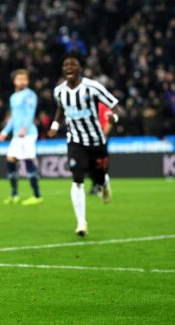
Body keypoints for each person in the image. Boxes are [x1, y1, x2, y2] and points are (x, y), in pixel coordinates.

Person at [48, 52, 119, 236]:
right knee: (77, 180)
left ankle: (104, 182)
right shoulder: (59, 91)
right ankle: (81, 223)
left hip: (96, 140)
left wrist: (114, 117)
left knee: (99, 177)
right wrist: (55, 125)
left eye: (73, 65)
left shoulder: (93, 87)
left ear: (80, 69)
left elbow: (114, 104)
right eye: (66, 66)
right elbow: (60, 109)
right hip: (75, 140)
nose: (69, 68)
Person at [0, 69, 43, 206]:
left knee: (28, 160)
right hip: (17, 134)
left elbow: (30, 113)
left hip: (28, 133)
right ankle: (15, 194)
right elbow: (13, 118)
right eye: (20, 79)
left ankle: (37, 195)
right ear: (14, 81)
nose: (22, 81)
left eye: (25, 79)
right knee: (11, 159)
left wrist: (24, 128)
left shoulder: (30, 95)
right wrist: (5, 132)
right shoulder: (13, 97)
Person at [89, 102, 113, 195]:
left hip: (100, 139)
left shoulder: (102, 106)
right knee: (91, 163)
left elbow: (109, 121)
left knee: (100, 163)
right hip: (89, 139)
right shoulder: (88, 105)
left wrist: (103, 136)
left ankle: (101, 184)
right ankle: (96, 184)